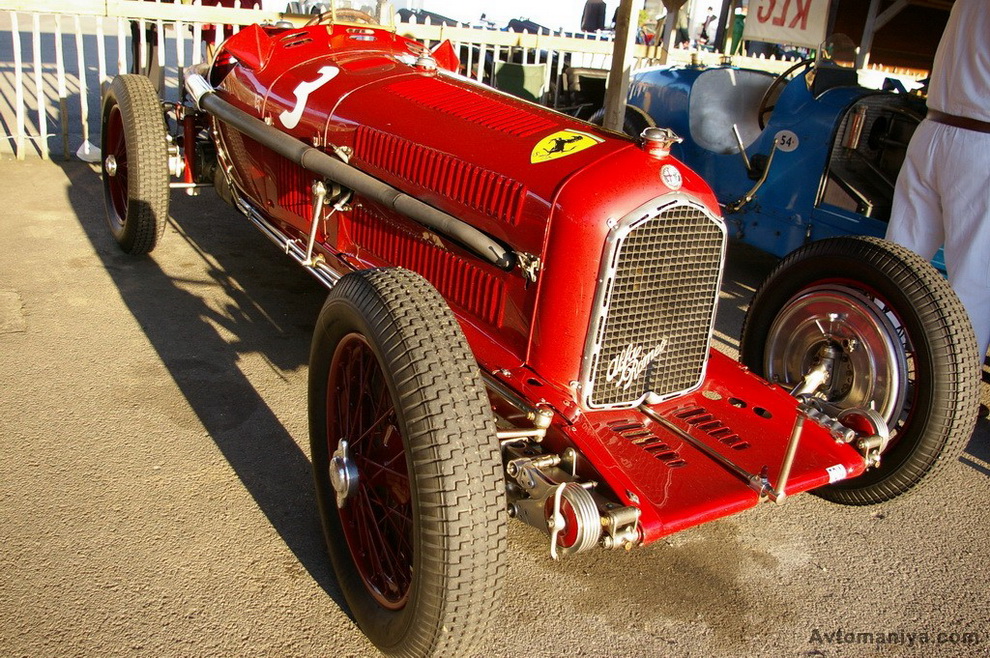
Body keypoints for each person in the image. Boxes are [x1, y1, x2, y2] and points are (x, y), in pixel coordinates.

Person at [886, 0, 990, 363]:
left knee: (899, 264)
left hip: (934, 129)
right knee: (974, 281)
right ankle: (951, 402)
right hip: (981, 141)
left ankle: (870, 366)